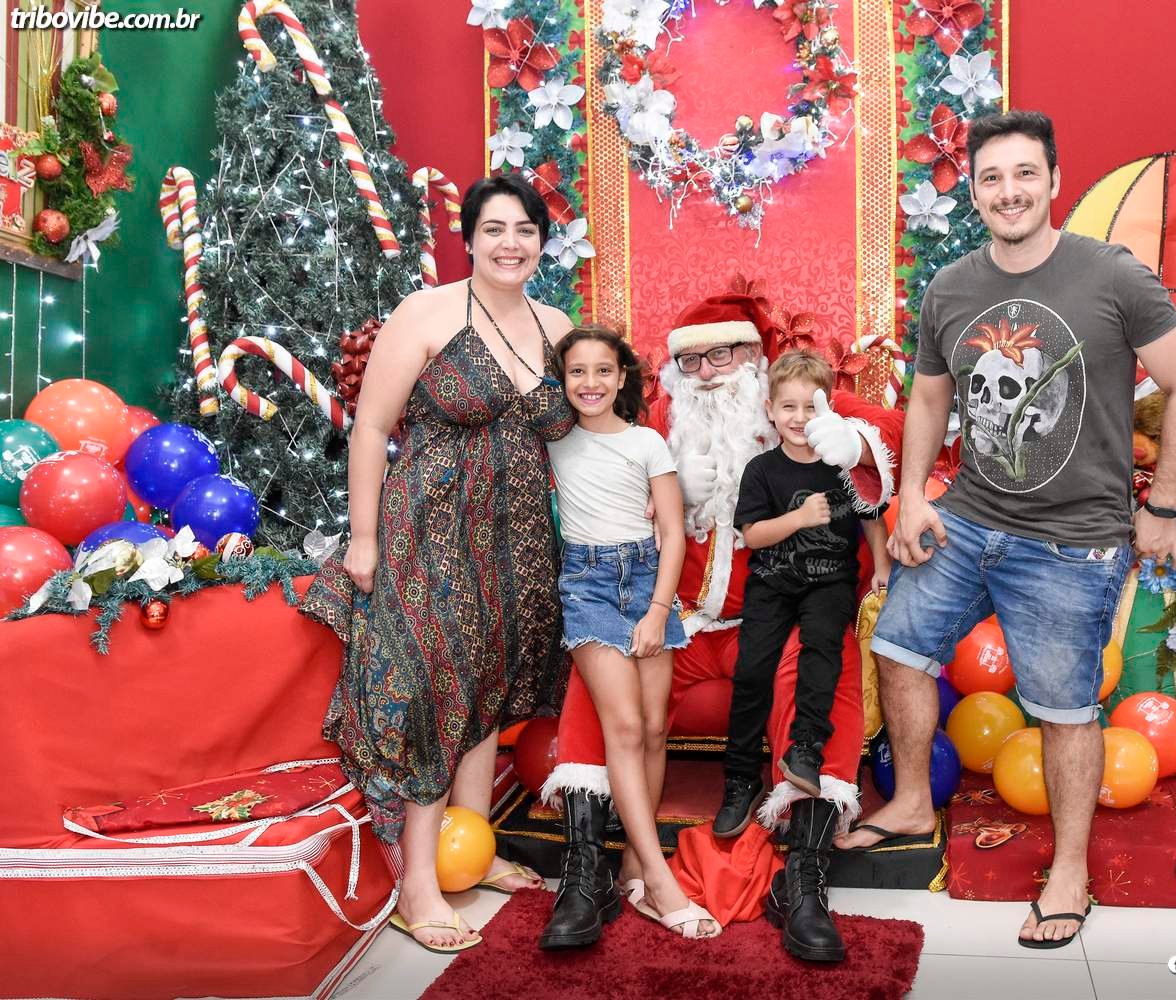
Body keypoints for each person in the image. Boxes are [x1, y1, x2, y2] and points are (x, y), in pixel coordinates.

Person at [835, 110, 1176, 952]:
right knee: (897, 644)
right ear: (973, 192)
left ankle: (1070, 869)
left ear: (1053, 181)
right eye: (992, 178)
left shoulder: (1112, 276)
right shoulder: (951, 288)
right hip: (971, 517)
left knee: (1064, 708)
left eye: (1024, 174)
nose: (1009, 192)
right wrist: (912, 497)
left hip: (1075, 539)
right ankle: (911, 802)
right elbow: (929, 397)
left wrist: (1160, 509)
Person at [540, 295, 903, 962]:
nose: (707, 372)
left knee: (827, 668)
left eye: (723, 355)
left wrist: (853, 443)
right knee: (594, 682)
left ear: (754, 359)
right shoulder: (658, 423)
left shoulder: (796, 405)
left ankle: (805, 876)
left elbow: (900, 432)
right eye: (691, 360)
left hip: (777, 613)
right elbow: (584, 453)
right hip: (681, 620)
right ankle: (587, 869)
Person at [302, 175, 575, 954]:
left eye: (525, 230)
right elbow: (370, 429)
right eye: (494, 229)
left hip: (520, 539)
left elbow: (580, 433)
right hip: (430, 527)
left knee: (487, 686)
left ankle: (471, 848)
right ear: (470, 238)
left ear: (542, 242)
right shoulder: (425, 314)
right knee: (436, 692)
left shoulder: (557, 325)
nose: (510, 244)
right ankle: (419, 883)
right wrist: (363, 538)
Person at [539, 325, 719, 946]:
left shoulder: (647, 442)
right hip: (587, 585)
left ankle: (635, 865)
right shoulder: (554, 440)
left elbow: (672, 533)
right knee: (621, 727)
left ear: (621, 378)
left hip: (647, 580)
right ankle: (662, 881)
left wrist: (657, 610)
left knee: (652, 728)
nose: (589, 383)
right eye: (576, 371)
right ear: (562, 381)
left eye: (602, 371)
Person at [716, 349, 890, 833]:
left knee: (822, 651)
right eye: (788, 407)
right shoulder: (762, 469)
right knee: (752, 671)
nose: (799, 417)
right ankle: (740, 777)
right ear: (770, 410)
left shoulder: (843, 465)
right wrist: (798, 517)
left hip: (829, 581)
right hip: (772, 583)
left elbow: (871, 514)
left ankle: (806, 750)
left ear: (828, 408)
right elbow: (752, 535)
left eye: (810, 406)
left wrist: (881, 565)